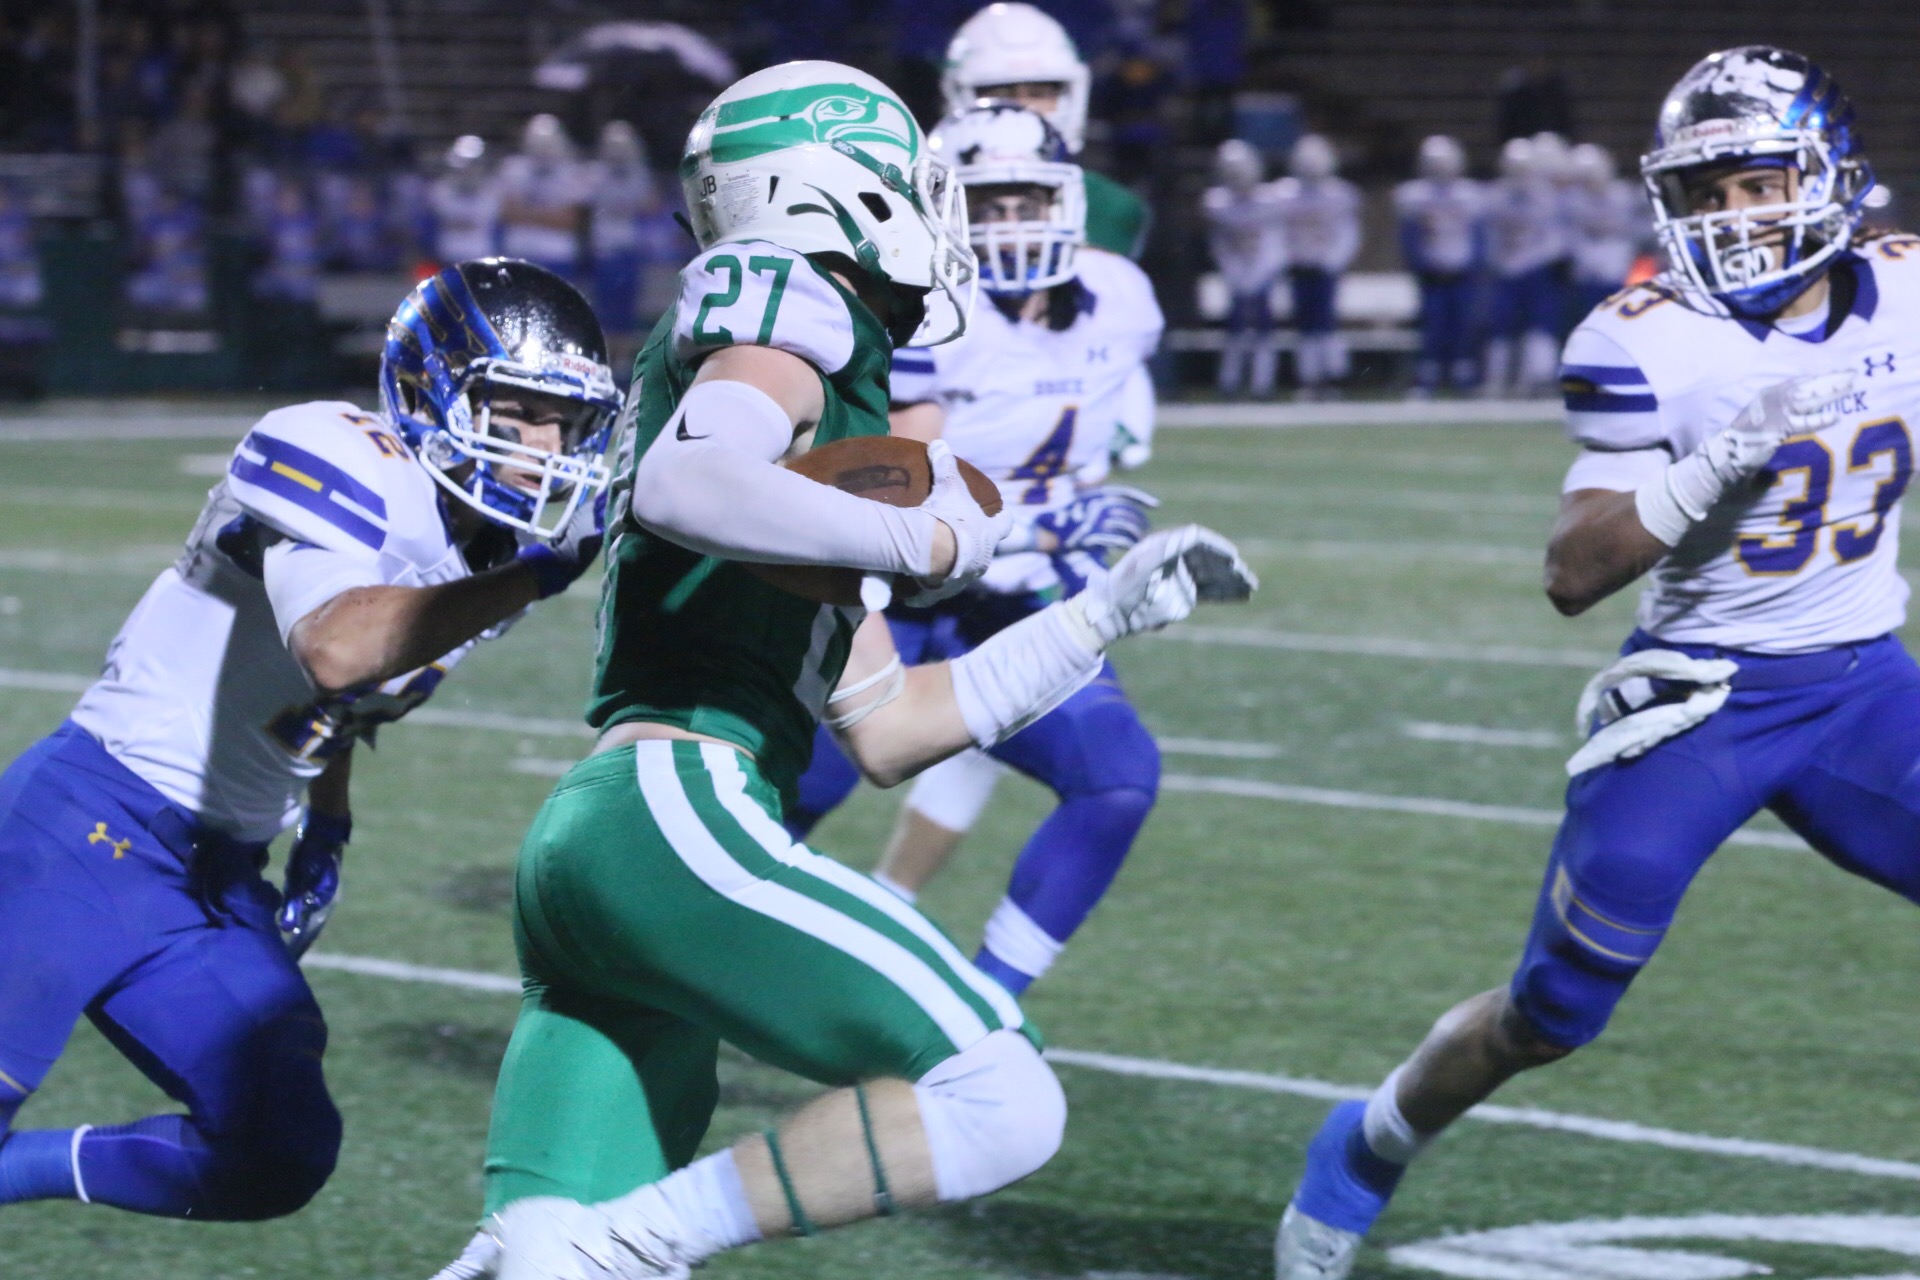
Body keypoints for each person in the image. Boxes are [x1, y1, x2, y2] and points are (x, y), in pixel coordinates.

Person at [429, 61, 1252, 1280]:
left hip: (608, 838)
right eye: (910, 182)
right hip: (676, 816)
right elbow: (686, 480)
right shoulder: (786, 293)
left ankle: (596, 1247)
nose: (935, 210)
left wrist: (1097, 618)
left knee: (535, 1261)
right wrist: (921, 538)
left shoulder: (812, 441)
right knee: (1000, 1094)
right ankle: (641, 1244)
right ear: (831, 193)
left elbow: (892, 726)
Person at [1275, 46, 1906, 1278]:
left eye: (1761, 179)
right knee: (1553, 1010)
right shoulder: (1645, 340)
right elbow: (1575, 571)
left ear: (1829, 171)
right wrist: (1712, 467)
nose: (1738, 214)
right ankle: (1363, 1145)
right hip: (1705, 698)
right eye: (1709, 188)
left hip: (1863, 683)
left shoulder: (1907, 287)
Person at [0, 260, 618, 1222]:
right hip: (86, 832)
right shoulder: (336, 450)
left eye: (564, 423)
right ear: (434, 388)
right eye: (518, 411)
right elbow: (335, 648)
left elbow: (341, 708)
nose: (545, 448)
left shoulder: (487, 553)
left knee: (278, 1148)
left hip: (214, 877)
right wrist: (538, 579)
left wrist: (325, 832)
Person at [783, 101, 1169, 996]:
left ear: (1068, 199)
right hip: (904, 597)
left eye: (1026, 197)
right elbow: (904, 493)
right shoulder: (922, 313)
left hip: (1020, 600)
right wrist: (1042, 525)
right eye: (986, 203)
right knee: (798, 794)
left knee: (1118, 777)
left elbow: (1089, 431)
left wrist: (1079, 513)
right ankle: (688, 960)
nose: (1009, 221)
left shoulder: (1120, 299)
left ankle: (989, 1002)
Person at [942, 2, 1159, 468]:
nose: (1021, 105)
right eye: (999, 90)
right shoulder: (918, 183)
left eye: (1041, 91)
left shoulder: (1109, 206)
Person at [1394, 134, 1485, 396]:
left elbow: (1477, 236)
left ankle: (1463, 377)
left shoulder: (1469, 194)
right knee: (1432, 325)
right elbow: (1410, 236)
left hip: (1462, 271)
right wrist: (1419, 263)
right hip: (1431, 272)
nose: (1440, 168)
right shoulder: (1413, 195)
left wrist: (1474, 264)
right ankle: (1427, 377)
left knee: (1463, 325)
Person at [1273, 133, 1360, 397]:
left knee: (1325, 323)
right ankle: (1309, 378)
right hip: (1298, 266)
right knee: (1305, 325)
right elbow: (1276, 233)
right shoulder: (1282, 194)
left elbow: (1348, 234)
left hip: (1325, 267)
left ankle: (1334, 376)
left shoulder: (1340, 194)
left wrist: (1333, 261)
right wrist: (1285, 259)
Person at [1480, 135, 1566, 396]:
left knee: (1538, 325)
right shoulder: (1495, 194)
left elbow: (1554, 234)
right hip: (1505, 267)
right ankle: (1496, 378)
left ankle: (1535, 379)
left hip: (1536, 266)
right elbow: (1489, 232)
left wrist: (1544, 258)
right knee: (1501, 326)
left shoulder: (1546, 195)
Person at [1203, 138, 1286, 399]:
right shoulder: (1216, 201)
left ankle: (1263, 382)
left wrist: (1262, 273)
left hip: (1262, 270)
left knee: (1263, 325)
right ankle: (1230, 380)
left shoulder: (1272, 200)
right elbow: (1220, 244)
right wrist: (1235, 273)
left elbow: (1276, 242)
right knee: (1235, 326)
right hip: (1236, 270)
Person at [586, 120, 661, 335]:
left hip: (630, 247)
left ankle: (624, 353)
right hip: (604, 248)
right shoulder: (594, 172)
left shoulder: (639, 173)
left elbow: (652, 205)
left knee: (628, 308)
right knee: (606, 307)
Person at [497, 114, 589, 284]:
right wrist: (548, 215)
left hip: (558, 254)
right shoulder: (512, 169)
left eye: (547, 144)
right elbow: (507, 214)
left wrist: (526, 214)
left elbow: (570, 221)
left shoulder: (573, 173)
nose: (542, 149)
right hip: (518, 252)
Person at [1563, 141, 1647, 321]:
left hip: (1619, 264)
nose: (1588, 183)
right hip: (1586, 268)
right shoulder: (1573, 200)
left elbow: (1642, 229)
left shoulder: (1625, 194)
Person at [428, 135, 501, 266]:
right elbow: (443, 217)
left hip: (482, 254)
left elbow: (486, 219)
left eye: (473, 166)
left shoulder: (493, 191)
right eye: (465, 166)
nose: (469, 171)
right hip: (446, 254)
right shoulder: (440, 189)